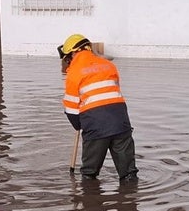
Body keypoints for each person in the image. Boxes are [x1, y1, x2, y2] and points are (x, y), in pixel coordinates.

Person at [59, 34, 138, 181]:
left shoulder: (74, 73)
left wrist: (78, 125)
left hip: (95, 125)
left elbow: (71, 108)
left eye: (67, 57)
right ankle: (130, 199)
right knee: (129, 174)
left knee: (89, 174)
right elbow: (114, 93)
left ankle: (90, 199)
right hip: (121, 122)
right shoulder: (109, 65)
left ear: (73, 52)